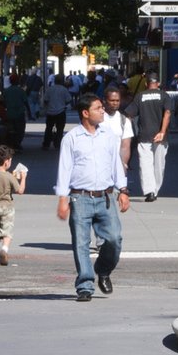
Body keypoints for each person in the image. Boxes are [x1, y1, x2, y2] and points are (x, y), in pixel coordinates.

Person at [56, 92, 129, 301]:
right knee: (81, 243)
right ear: (85, 113)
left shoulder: (108, 136)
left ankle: (103, 270)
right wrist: (63, 199)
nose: (103, 111)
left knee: (114, 239)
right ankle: (85, 286)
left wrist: (123, 191)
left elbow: (116, 164)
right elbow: (64, 168)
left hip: (105, 197)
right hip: (80, 198)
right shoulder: (71, 138)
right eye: (98, 108)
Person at [0, 140, 28, 266]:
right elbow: (20, 190)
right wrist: (23, 178)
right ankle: (5, 249)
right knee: (7, 232)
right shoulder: (9, 176)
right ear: (7, 161)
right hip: (7, 207)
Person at [132, 74, 170, 201]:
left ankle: (149, 191)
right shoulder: (164, 95)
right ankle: (155, 190)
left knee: (145, 164)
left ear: (146, 84)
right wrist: (162, 132)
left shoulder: (139, 96)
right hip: (160, 136)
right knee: (159, 165)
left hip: (144, 135)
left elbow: (129, 114)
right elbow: (168, 113)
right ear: (158, 83)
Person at [100, 81, 134, 187]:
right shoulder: (97, 118)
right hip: (98, 164)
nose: (115, 103)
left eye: (117, 100)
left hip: (116, 165)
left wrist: (123, 165)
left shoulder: (124, 121)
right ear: (104, 101)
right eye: (112, 100)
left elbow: (125, 146)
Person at [41, 70, 72, 155]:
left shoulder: (50, 89)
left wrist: (48, 107)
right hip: (60, 111)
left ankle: (46, 144)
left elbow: (46, 100)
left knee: (48, 129)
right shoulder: (64, 90)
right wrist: (63, 103)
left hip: (50, 112)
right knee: (60, 129)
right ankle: (57, 144)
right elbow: (69, 100)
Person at [1, 69, 30, 152]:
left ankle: (11, 143)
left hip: (9, 114)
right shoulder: (21, 91)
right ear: (18, 81)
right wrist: (30, 112)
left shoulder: (6, 91)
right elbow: (26, 102)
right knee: (20, 130)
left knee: (10, 129)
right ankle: (17, 143)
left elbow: (3, 102)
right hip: (19, 114)